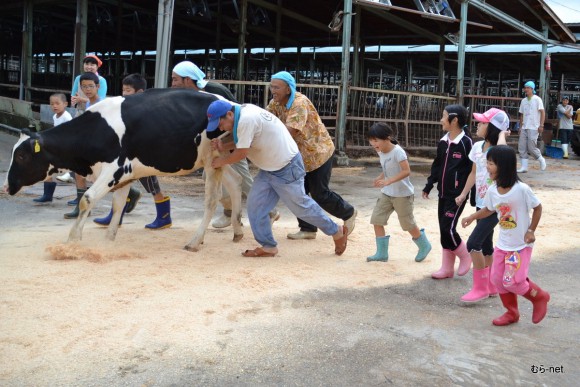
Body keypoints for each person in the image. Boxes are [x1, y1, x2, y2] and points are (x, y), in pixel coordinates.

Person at [206, 99, 348, 257]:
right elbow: (243, 141)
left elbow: (241, 153)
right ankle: (268, 246)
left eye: (220, 124)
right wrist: (223, 147)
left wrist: (221, 161)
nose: (220, 128)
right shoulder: (243, 113)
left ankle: (337, 231)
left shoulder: (246, 119)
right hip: (269, 168)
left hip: (286, 167)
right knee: (255, 207)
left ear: (230, 114)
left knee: (301, 207)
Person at [170, 61, 279, 228]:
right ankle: (230, 213)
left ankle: (268, 211)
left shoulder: (214, 91)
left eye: (175, 79)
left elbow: (235, 116)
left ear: (188, 80)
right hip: (214, 144)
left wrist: (231, 144)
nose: (173, 84)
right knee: (211, 177)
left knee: (242, 180)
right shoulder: (189, 96)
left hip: (232, 141)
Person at [462, 145, 550, 326]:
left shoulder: (522, 189)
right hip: (503, 245)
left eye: (491, 163)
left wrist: (531, 230)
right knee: (497, 279)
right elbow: (488, 210)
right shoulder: (493, 190)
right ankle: (512, 313)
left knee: (514, 282)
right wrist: (472, 216)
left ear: (504, 166)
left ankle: (539, 297)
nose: (487, 166)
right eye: (487, 162)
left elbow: (538, 207)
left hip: (521, 246)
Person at [266, 71, 357, 240]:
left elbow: (290, 131)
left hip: (318, 153)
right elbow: (265, 120)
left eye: (277, 87)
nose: (273, 90)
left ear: (288, 89)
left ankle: (348, 212)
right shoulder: (274, 103)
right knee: (298, 193)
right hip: (299, 156)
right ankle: (307, 229)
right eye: (271, 86)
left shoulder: (299, 103)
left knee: (319, 193)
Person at [93, 73, 172, 229]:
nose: (124, 93)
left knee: (153, 187)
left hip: (144, 157)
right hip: (129, 155)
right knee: (121, 184)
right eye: (123, 90)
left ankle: (164, 217)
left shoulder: (148, 110)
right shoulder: (128, 108)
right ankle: (115, 216)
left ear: (140, 92)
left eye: (128, 90)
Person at [455, 108, 509, 302]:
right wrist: (463, 194)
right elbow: (473, 173)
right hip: (480, 202)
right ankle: (492, 284)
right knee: (486, 245)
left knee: (473, 243)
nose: (478, 125)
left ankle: (480, 288)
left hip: (494, 207)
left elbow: (502, 153)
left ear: (493, 128)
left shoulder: (500, 152)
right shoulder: (477, 147)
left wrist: (502, 134)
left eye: (483, 122)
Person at [366, 123, 431, 263]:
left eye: (376, 140)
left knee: (408, 224)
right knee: (377, 220)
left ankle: (424, 245)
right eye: (371, 140)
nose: (373, 143)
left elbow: (406, 171)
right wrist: (381, 177)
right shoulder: (380, 151)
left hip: (402, 195)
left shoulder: (398, 152)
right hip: (387, 193)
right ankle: (381, 253)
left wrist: (389, 181)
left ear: (387, 138)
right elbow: (388, 168)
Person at [422, 104, 474, 279]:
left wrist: (466, 193)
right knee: (443, 230)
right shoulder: (443, 141)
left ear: (455, 120)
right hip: (443, 193)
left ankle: (465, 255)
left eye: (444, 116)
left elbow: (473, 171)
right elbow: (437, 165)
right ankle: (447, 268)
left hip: (457, 195)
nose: (441, 120)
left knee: (448, 229)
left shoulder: (467, 143)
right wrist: (430, 184)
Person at [64, 72, 103, 219]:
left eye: (91, 86)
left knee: (104, 179)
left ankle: (131, 194)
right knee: (79, 173)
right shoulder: (87, 103)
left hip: (100, 147)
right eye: (84, 87)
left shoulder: (102, 104)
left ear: (97, 86)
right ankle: (82, 208)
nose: (87, 89)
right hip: (88, 145)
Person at [33, 93, 73, 203]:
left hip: (67, 146)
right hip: (57, 145)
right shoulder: (55, 116)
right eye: (51, 104)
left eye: (57, 103)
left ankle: (70, 177)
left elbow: (70, 132)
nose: (54, 106)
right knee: (47, 166)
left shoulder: (67, 116)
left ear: (65, 104)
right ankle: (47, 195)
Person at [517, 81, 547, 172]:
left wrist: (541, 125)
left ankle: (541, 159)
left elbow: (542, 112)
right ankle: (524, 167)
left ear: (532, 89)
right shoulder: (523, 101)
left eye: (528, 88)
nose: (526, 89)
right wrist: (520, 127)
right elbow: (521, 115)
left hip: (534, 127)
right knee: (521, 146)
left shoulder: (537, 99)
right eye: (525, 87)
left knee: (531, 147)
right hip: (524, 126)